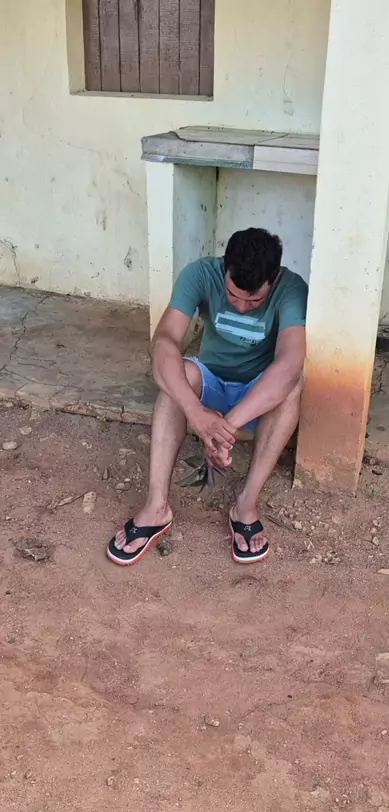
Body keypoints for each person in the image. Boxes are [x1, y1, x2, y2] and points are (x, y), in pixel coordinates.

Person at [107, 227, 308, 567]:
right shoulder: (200, 273)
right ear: (225, 268)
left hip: (257, 395)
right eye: (233, 295)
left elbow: (289, 363)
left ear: (273, 279)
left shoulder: (291, 288)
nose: (241, 307)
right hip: (211, 382)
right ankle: (156, 507)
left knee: (293, 384)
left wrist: (225, 428)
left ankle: (245, 505)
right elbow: (164, 343)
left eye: (254, 301)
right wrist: (196, 412)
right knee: (176, 376)